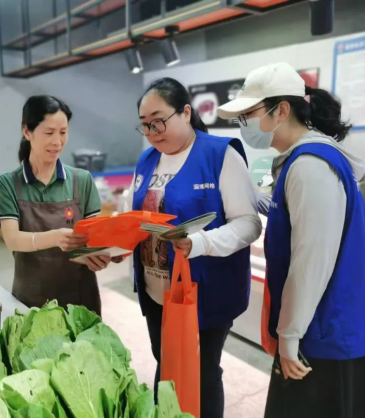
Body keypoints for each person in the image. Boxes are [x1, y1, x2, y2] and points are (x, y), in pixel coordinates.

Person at [217, 62, 365, 418]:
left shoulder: (309, 165)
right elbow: (299, 219)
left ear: (281, 110)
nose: (244, 124)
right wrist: (252, 198)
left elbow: (311, 260)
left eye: (248, 114)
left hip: (333, 333)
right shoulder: (298, 160)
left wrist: (289, 335)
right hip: (325, 326)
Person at [129, 77, 261, 417]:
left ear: (186, 112)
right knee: (166, 362)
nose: (152, 131)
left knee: (201, 372)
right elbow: (136, 222)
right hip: (157, 292)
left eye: (159, 120)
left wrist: (200, 243)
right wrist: (112, 245)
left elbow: (249, 224)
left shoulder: (219, 155)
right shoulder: (147, 160)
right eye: (145, 125)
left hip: (204, 292)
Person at [0, 95, 105, 314]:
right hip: (31, 300)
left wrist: (102, 254)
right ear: (27, 132)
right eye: (49, 132)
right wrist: (55, 238)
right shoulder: (8, 184)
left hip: (80, 300)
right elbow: (12, 239)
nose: (57, 141)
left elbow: (97, 237)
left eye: (63, 132)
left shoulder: (82, 180)